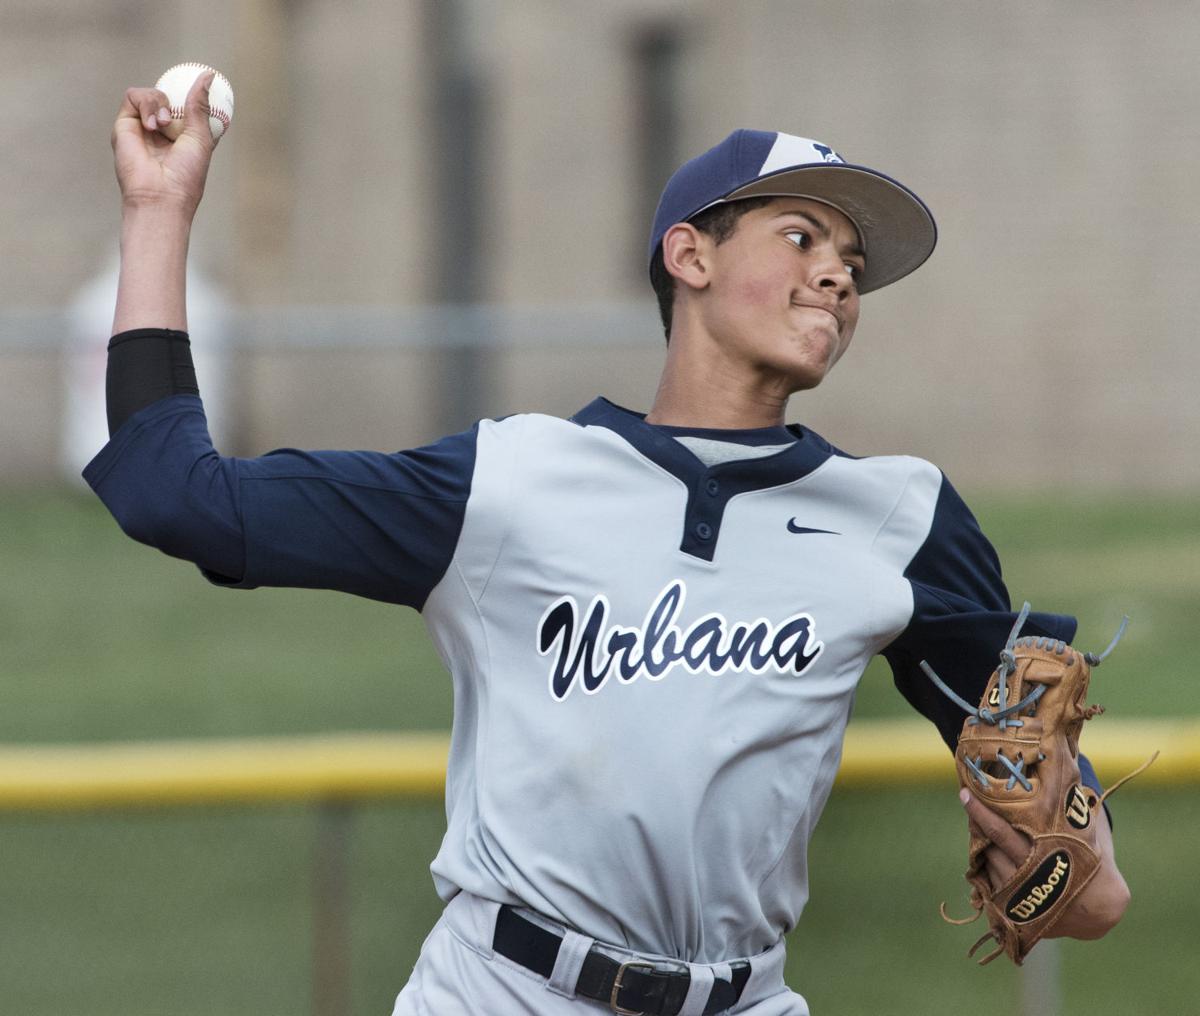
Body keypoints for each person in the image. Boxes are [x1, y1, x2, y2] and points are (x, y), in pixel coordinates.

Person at [94, 74, 1130, 1015]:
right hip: (501, 990)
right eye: (803, 237)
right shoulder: (508, 481)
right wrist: (158, 212)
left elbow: (1060, 825)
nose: (840, 277)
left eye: (853, 263)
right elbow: (175, 495)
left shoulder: (900, 515)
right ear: (691, 254)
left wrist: (1082, 862)